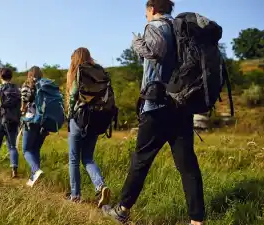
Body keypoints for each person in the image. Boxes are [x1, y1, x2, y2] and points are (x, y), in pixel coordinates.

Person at [102, 1, 205, 225]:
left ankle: (121, 211)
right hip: (182, 106)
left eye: (146, 12)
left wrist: (137, 43)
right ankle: (197, 221)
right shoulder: (183, 31)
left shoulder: (155, 26)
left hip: (157, 106)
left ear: (151, 9)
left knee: (141, 160)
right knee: (188, 165)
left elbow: (155, 52)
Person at [65, 47, 111, 208]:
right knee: (88, 158)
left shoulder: (78, 71)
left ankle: (75, 195)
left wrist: (69, 115)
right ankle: (100, 186)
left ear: (75, 59)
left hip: (80, 118)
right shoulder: (100, 72)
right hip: (97, 119)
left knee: (73, 159)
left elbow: (73, 96)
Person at [0, 68, 21, 178]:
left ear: (0, 77)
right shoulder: (17, 89)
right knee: (12, 147)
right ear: (11, 77)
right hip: (13, 121)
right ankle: (14, 170)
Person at [21, 66, 48, 187]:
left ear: (29, 74)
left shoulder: (28, 85)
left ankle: (36, 170)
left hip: (31, 120)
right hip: (45, 122)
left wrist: (22, 110)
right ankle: (33, 179)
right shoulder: (46, 86)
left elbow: (23, 105)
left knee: (26, 150)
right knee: (35, 149)